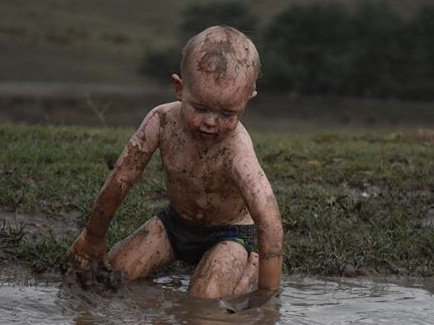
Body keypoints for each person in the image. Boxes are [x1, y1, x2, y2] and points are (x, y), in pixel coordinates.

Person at [65, 25, 283, 299]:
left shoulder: (237, 150)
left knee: (203, 301)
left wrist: (268, 292)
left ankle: (248, 268)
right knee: (112, 278)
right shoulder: (161, 121)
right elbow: (122, 178)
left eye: (227, 113)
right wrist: (92, 238)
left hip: (230, 234)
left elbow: (269, 219)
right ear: (179, 89)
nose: (211, 122)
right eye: (200, 108)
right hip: (175, 224)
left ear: (246, 101)